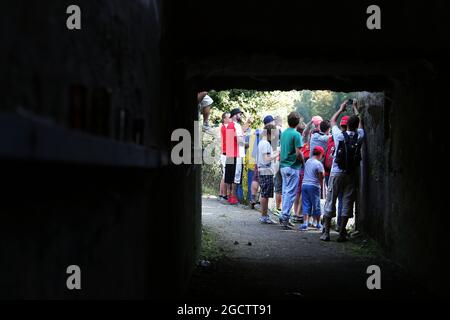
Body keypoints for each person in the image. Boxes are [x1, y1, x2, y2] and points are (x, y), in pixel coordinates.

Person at [321, 100, 364, 242]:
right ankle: (341, 233)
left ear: (346, 125)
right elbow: (361, 122)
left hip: (336, 172)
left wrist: (341, 108)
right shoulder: (360, 136)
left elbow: (333, 120)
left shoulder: (339, 136)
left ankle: (326, 233)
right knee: (346, 203)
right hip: (350, 174)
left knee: (330, 201)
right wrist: (356, 109)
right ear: (356, 126)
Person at [279, 112, 304, 229]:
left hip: (283, 166)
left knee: (285, 192)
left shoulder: (284, 133)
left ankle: (284, 215)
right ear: (298, 122)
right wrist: (304, 162)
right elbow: (298, 153)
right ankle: (285, 217)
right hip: (292, 166)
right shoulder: (297, 135)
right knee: (291, 193)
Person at [250, 115, 275, 209]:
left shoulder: (259, 137)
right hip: (265, 167)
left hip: (259, 163)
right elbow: (266, 158)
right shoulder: (265, 141)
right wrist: (277, 154)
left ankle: (254, 200)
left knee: (257, 181)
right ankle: (263, 212)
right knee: (265, 192)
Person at [257, 124, 279, 224]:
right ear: (269, 133)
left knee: (264, 194)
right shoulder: (265, 143)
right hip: (266, 171)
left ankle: (264, 215)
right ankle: (264, 216)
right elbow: (266, 159)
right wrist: (277, 154)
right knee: (265, 195)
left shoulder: (262, 142)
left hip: (263, 171)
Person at [300, 146, 325, 231]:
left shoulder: (308, 161)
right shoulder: (319, 164)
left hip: (304, 185)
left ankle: (305, 223)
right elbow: (321, 176)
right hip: (314, 186)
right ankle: (318, 224)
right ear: (320, 154)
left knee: (306, 204)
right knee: (316, 204)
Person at [224, 108, 245, 205]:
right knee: (235, 177)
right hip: (237, 154)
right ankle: (233, 198)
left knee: (228, 175)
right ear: (235, 115)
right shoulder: (237, 126)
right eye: (240, 114)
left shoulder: (228, 126)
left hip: (229, 153)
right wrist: (247, 144)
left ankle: (228, 196)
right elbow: (240, 140)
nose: (240, 116)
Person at [219, 112, 231, 200]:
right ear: (224, 119)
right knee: (225, 174)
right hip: (225, 153)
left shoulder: (224, 127)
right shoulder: (226, 127)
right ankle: (223, 194)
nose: (230, 119)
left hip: (225, 152)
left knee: (225, 174)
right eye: (228, 117)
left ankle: (222, 193)